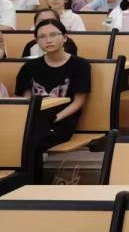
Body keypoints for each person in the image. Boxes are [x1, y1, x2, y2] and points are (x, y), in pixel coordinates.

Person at [16, 18, 92, 148]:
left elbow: (78, 102)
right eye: (42, 36)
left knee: (33, 139)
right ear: (36, 41)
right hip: (33, 120)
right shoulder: (29, 67)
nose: (48, 40)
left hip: (62, 121)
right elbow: (26, 100)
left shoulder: (80, 65)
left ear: (65, 38)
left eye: (53, 35)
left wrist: (55, 117)